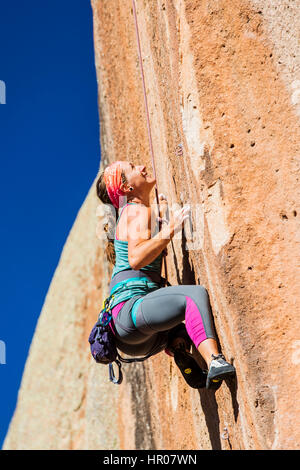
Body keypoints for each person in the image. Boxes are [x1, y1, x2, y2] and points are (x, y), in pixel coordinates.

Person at [96, 159, 236, 389]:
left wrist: (160, 222)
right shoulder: (135, 211)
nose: (141, 167)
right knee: (192, 297)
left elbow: (144, 256)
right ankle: (215, 361)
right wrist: (172, 228)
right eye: (132, 169)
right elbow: (137, 258)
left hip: (137, 338)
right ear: (126, 188)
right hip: (130, 313)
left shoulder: (137, 214)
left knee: (184, 321)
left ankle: (178, 346)